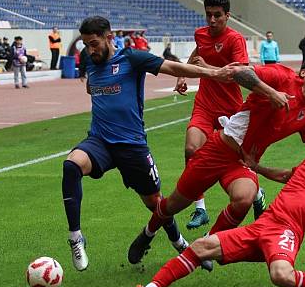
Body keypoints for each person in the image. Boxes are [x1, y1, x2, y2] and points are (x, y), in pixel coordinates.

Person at [127, 51, 305, 271]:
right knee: (172, 206)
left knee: (244, 198)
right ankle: (148, 233)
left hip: (242, 162)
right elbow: (239, 72)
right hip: (218, 149)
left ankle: (205, 246)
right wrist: (269, 92)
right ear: (304, 72)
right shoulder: (282, 75)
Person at [115, 119, 305, 287]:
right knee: (201, 246)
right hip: (261, 226)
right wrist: (256, 167)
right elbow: (287, 175)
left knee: (281, 275)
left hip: (285, 231)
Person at [62, 16, 233, 271]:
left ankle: (179, 243)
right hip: (100, 141)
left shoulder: (132, 58)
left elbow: (173, 68)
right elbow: (92, 87)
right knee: (71, 166)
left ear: (109, 37)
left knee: (156, 204)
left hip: (132, 146)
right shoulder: (92, 62)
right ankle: (76, 237)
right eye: (86, 45)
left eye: (94, 43)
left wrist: (213, 73)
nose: (90, 50)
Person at [174, 0, 261, 230]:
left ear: (227, 16)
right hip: (204, 104)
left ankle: (258, 193)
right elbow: (196, 55)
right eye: (208, 15)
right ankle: (200, 208)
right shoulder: (200, 34)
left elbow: (242, 74)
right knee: (192, 149)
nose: (212, 20)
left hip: (231, 108)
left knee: (239, 159)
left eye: (217, 15)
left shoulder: (235, 39)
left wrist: (209, 69)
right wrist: (183, 74)